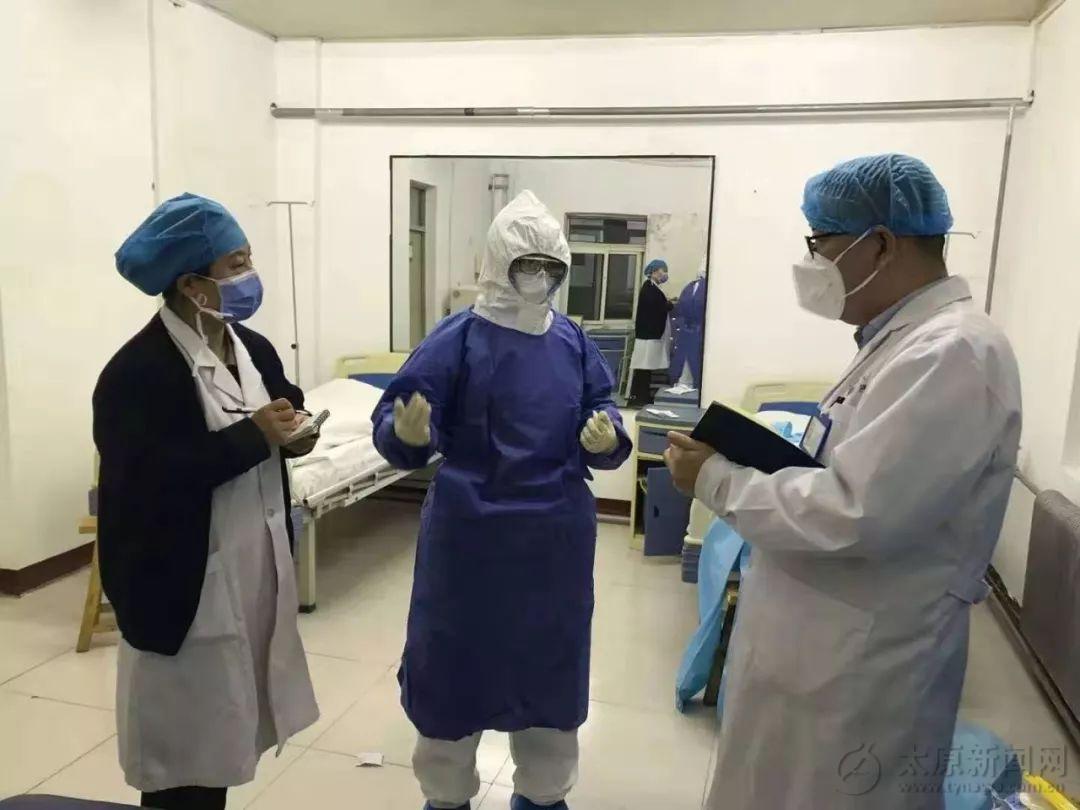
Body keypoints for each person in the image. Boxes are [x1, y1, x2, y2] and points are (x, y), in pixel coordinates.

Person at [665, 154, 1021, 809]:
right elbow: (846, 474)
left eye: (819, 243)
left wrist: (714, 479)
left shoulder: (954, 353)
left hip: (865, 672)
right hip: (818, 647)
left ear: (880, 244)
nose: (811, 263)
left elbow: (856, 512)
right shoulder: (897, 344)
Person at [371, 190, 632, 810]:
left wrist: (606, 436)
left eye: (550, 267)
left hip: (553, 544)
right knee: (452, 672)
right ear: (498, 263)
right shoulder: (458, 337)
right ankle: (446, 796)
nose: (539, 277)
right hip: (470, 543)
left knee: (549, 677)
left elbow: (601, 405)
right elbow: (401, 412)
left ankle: (543, 795)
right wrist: (407, 435)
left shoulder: (571, 338)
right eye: (526, 265)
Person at [94, 193, 319, 810]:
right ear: (192, 285)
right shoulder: (135, 375)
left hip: (251, 573)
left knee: (228, 734)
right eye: (236, 265)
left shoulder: (251, 348)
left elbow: (287, 404)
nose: (250, 277)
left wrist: (299, 433)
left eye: (249, 260)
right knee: (183, 762)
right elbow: (148, 483)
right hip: (183, 591)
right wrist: (256, 438)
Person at [626, 259, 673, 406]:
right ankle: (641, 398)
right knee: (644, 368)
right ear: (654, 272)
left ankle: (642, 396)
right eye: (663, 271)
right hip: (647, 337)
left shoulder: (653, 288)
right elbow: (658, 306)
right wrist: (669, 305)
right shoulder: (649, 288)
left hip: (649, 335)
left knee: (646, 368)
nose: (664, 274)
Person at [668, 258, 707, 389]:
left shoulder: (690, 287)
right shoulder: (707, 288)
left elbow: (680, 309)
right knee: (695, 364)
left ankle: (681, 383)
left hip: (686, 332)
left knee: (684, 364)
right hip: (699, 332)